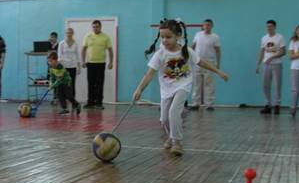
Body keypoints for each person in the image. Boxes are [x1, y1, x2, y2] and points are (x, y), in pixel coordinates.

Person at [132, 19, 229, 156]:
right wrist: (139, 89)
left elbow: (202, 62)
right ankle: (171, 137)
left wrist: (218, 71)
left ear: (178, 36)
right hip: (166, 89)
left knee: (173, 112)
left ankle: (177, 142)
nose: (165, 40)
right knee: (164, 119)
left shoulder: (187, 51)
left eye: (168, 37)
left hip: (183, 86)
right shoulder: (160, 54)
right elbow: (149, 74)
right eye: (162, 37)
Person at [190, 19, 221, 111]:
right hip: (197, 63)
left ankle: (209, 104)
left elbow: (218, 51)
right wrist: (188, 56)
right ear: (203, 26)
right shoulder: (198, 35)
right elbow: (193, 47)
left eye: (209, 25)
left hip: (210, 64)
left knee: (209, 84)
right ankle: (196, 103)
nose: (207, 27)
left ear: (212, 26)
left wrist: (218, 64)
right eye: (205, 25)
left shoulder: (215, 37)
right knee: (197, 84)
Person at [82, 20, 114, 109]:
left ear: (100, 27)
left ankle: (99, 103)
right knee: (90, 83)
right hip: (90, 63)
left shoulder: (105, 37)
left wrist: (111, 62)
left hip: (101, 64)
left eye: (97, 27)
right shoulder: (88, 36)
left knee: (100, 83)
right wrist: (83, 61)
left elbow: (110, 50)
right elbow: (83, 49)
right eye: (94, 27)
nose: (95, 28)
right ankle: (90, 102)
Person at [256, 20, 286, 114]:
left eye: (271, 26)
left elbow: (283, 51)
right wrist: (258, 64)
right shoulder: (264, 38)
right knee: (266, 85)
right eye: (267, 26)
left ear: (275, 27)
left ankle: (277, 105)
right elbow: (262, 51)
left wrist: (273, 57)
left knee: (277, 85)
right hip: (266, 64)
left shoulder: (280, 37)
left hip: (277, 64)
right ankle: (267, 105)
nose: (269, 28)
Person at [58, 27, 81, 98]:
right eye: (67, 33)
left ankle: (73, 99)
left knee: (72, 83)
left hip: (73, 66)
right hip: (64, 67)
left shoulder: (76, 43)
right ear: (65, 34)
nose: (69, 34)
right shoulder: (61, 43)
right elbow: (59, 56)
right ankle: (64, 99)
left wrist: (79, 67)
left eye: (70, 33)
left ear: (73, 34)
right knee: (64, 84)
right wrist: (60, 68)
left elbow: (77, 56)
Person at [288, 25, 299, 117]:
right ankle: (293, 109)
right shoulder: (293, 42)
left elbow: (294, 55)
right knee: (295, 90)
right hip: (295, 68)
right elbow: (290, 56)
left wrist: (296, 54)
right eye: (298, 31)